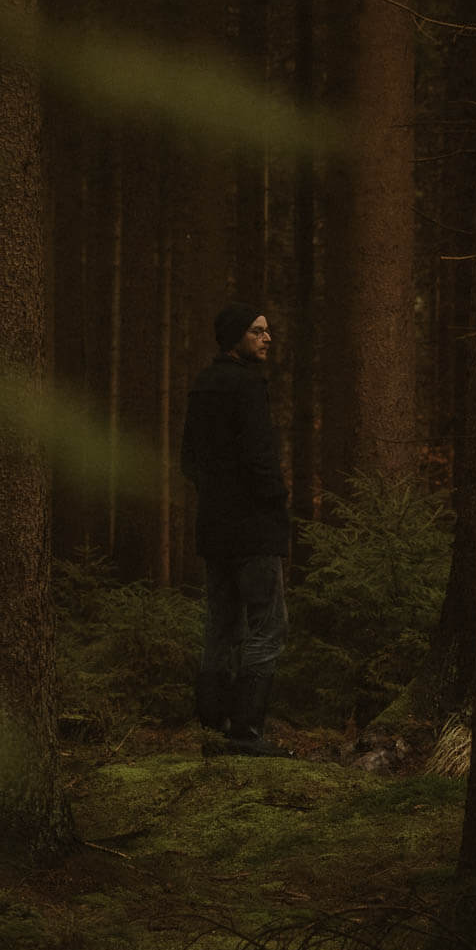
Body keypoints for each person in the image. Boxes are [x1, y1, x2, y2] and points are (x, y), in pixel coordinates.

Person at [180, 304, 293, 757]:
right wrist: (275, 500)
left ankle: (213, 727)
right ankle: (245, 731)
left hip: (215, 527)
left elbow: (189, 459)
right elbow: (260, 457)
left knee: (221, 624)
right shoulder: (247, 386)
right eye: (256, 331)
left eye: (268, 331)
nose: (267, 339)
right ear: (234, 338)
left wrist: (216, 495)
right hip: (252, 529)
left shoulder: (203, 385)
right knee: (269, 624)